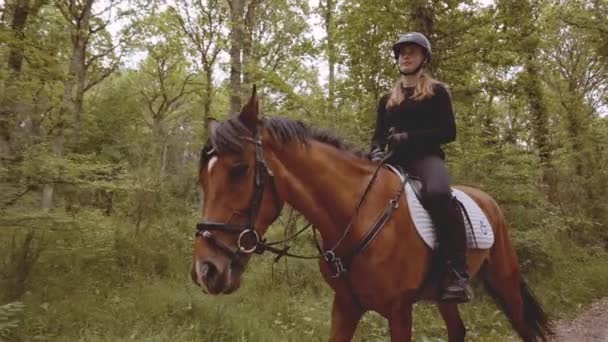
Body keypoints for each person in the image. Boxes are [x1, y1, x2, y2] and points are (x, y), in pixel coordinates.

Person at [369, 32, 472, 302]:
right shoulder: (386, 100)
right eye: (402, 52)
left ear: (423, 57)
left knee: (438, 193)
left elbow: (449, 132)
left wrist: (410, 137)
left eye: (412, 51)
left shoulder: (437, 92)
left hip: (426, 158)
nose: (405, 55)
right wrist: (376, 151)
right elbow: (377, 135)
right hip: (392, 161)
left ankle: (459, 272)